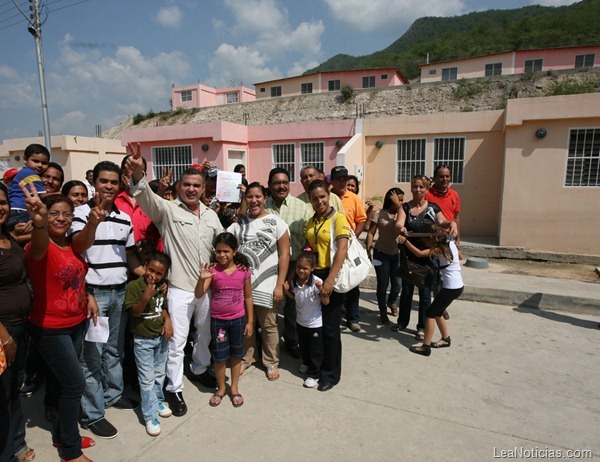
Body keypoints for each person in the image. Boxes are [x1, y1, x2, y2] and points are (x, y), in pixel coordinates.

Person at [126, 144, 223, 417]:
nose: (191, 189)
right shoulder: (167, 211)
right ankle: (174, 387)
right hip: (180, 288)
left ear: (204, 189)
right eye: (187, 185)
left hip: (206, 288)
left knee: (204, 335)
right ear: (179, 187)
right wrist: (138, 171)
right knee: (177, 342)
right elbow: (146, 197)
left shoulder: (212, 215)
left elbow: (223, 246)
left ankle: (200, 368)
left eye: (197, 185)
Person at [69, 161, 144, 439]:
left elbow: (131, 255)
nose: (109, 186)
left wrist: (148, 275)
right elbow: (78, 248)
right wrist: (93, 222)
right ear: (94, 183)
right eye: (104, 181)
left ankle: (112, 395)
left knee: (114, 350)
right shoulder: (80, 213)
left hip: (119, 291)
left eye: (114, 182)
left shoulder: (124, 217)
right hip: (94, 295)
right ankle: (92, 413)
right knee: (91, 356)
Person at [23, 187, 97, 462]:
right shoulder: (38, 244)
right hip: (50, 328)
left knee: (60, 382)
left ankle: (64, 434)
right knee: (74, 384)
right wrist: (39, 221)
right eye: (54, 213)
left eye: (67, 214)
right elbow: (39, 246)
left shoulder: (69, 244)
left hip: (75, 322)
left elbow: (75, 276)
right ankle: (70, 451)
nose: (61, 218)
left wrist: (87, 295)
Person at [228, 182, 290, 381]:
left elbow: (284, 255)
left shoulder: (276, 222)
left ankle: (271, 362)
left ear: (265, 198)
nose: (254, 200)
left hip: (268, 285)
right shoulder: (238, 225)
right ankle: (247, 358)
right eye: (249, 197)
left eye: (257, 197)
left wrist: (280, 283)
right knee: (247, 324)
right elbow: (223, 243)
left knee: (270, 325)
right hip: (242, 287)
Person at [393, 175, 457, 340]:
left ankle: (422, 327)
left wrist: (451, 224)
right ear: (411, 188)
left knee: (426, 292)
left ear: (427, 189)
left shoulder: (433, 207)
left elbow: (441, 222)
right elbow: (399, 223)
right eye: (415, 186)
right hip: (408, 254)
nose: (418, 190)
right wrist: (401, 229)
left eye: (421, 187)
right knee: (406, 291)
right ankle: (402, 321)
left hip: (428, 256)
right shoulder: (405, 208)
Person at [194, 232, 254, 408]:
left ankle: (234, 388)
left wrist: (250, 321)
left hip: (237, 321)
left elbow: (248, 297)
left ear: (234, 251)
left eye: (226, 251)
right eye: (219, 251)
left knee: (236, 355)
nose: (222, 255)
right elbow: (198, 293)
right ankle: (221, 388)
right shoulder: (213, 271)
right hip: (218, 323)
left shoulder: (243, 271)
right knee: (220, 357)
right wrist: (202, 278)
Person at [0, 183, 35, 462]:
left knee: (13, 389)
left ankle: (16, 444)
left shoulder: (8, 237)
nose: (0, 207)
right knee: (3, 394)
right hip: (3, 333)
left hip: (20, 327)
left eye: (2, 201)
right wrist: (5, 337)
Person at [304, 179, 350, 391]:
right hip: (316, 276)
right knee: (316, 327)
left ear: (329, 196)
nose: (319, 201)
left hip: (332, 274)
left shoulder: (338, 218)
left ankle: (331, 374)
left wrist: (331, 278)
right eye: (315, 198)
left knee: (331, 328)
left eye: (322, 196)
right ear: (310, 200)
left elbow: (342, 249)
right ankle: (317, 366)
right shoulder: (312, 220)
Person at [124, 251, 173, 437]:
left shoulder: (162, 286)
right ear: (145, 266)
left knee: (160, 373)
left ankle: (157, 400)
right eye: (150, 270)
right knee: (146, 379)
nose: (153, 275)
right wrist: (146, 296)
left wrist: (167, 320)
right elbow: (134, 313)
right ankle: (150, 415)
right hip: (143, 340)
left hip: (160, 337)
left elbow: (162, 307)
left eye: (159, 273)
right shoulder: (135, 286)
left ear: (164, 275)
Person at [265, 167, 312, 359]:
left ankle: (291, 340)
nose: (281, 186)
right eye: (277, 182)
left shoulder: (301, 207)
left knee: (292, 305)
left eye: (285, 182)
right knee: (268, 304)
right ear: (269, 185)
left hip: (294, 264)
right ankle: (267, 342)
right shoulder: (262, 205)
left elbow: (309, 238)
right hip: (268, 265)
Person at [397, 224, 463, 356]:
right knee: (438, 312)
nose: (425, 244)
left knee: (430, 314)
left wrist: (406, 242)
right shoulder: (449, 243)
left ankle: (425, 346)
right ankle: (445, 339)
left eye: (426, 241)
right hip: (456, 286)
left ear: (433, 238)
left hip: (450, 288)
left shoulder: (440, 249)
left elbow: (420, 253)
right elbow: (460, 256)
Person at [329, 166, 367, 333]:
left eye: (344, 179)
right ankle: (334, 317)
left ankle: (353, 318)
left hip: (348, 246)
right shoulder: (326, 197)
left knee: (352, 283)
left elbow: (361, 220)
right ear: (332, 181)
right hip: (329, 247)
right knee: (333, 282)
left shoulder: (353, 198)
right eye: (338, 179)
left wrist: (353, 238)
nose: (342, 182)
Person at [283, 249, 325, 389]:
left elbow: (326, 302)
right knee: (304, 346)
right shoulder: (295, 282)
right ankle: (306, 363)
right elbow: (294, 297)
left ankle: (314, 374)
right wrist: (286, 290)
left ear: (312, 268)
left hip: (315, 324)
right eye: (299, 267)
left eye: (305, 268)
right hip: (301, 322)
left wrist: (323, 291)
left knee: (315, 350)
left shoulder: (317, 282)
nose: (301, 271)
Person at [365, 188, 404, 324]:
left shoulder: (402, 214)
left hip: (397, 254)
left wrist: (400, 207)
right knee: (383, 284)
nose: (400, 202)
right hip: (380, 254)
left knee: (397, 285)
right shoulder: (379, 214)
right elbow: (371, 233)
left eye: (402, 200)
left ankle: (391, 302)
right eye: (398, 200)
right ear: (390, 199)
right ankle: (382, 311)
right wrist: (368, 249)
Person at [7, 143, 49, 231]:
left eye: (44, 163)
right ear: (25, 159)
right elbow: (43, 196)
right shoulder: (30, 174)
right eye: (36, 161)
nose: (40, 165)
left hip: (14, 210)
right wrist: (62, 194)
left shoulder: (24, 172)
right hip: (20, 211)